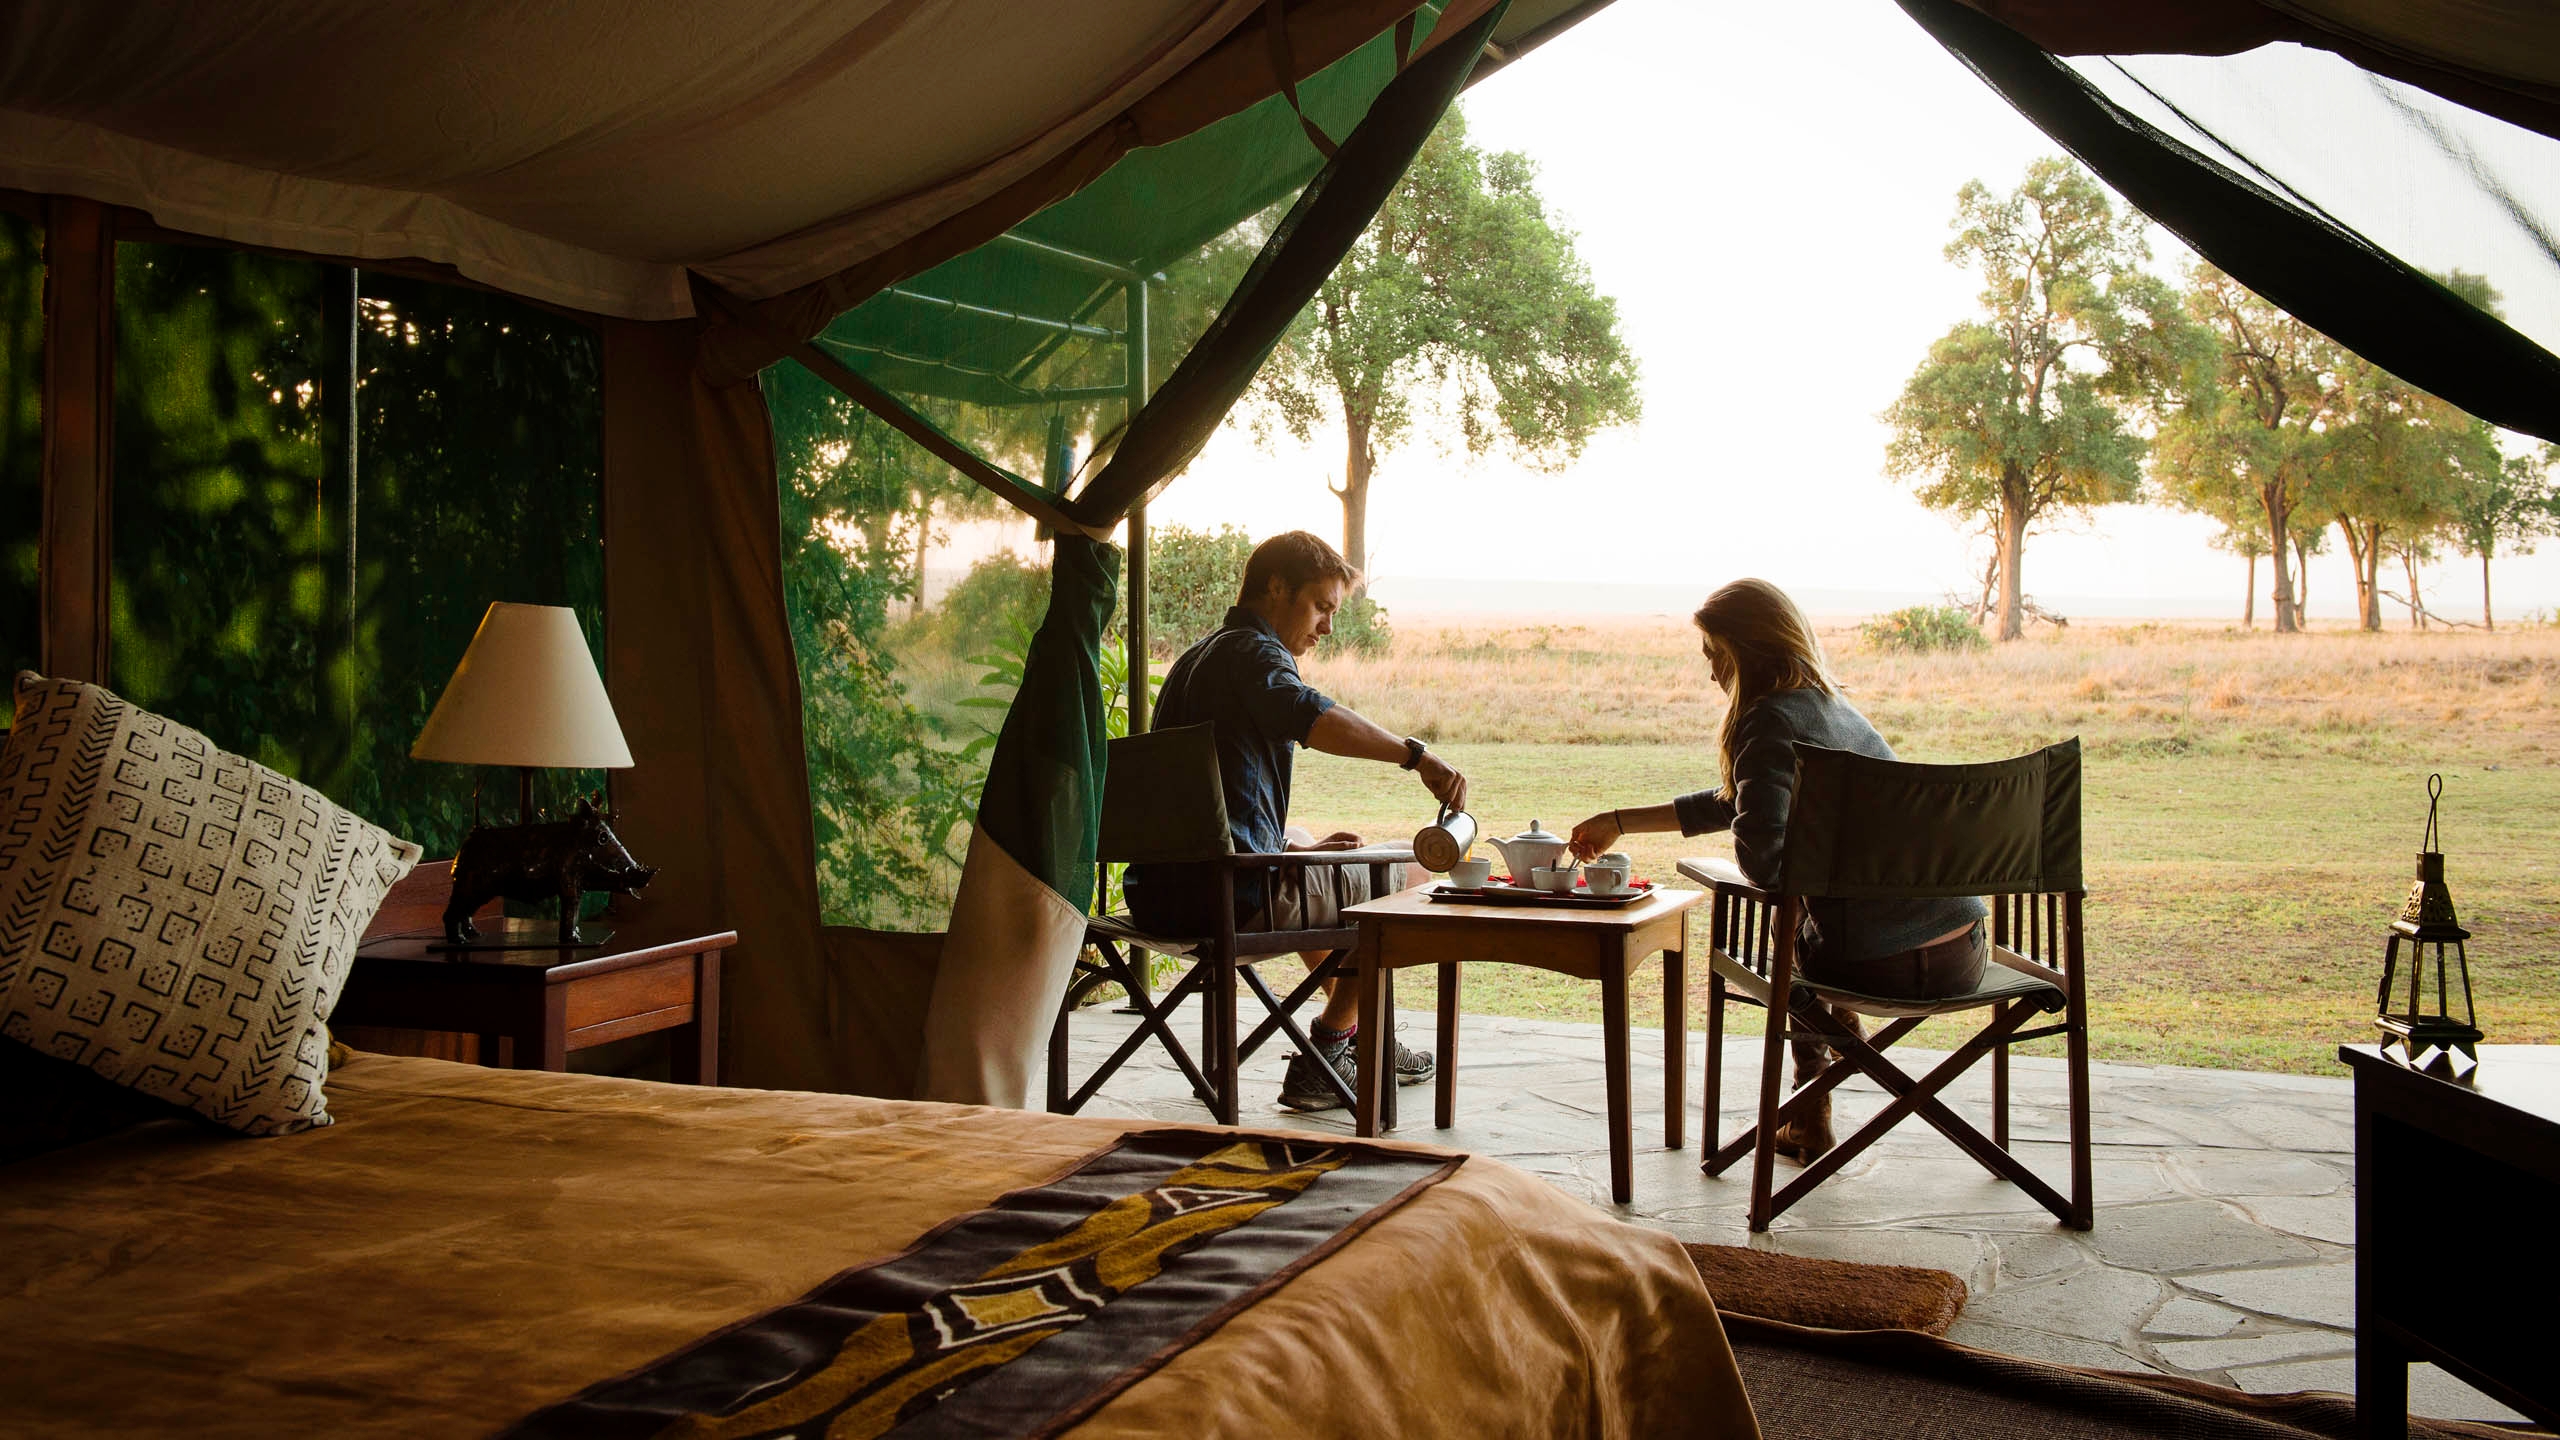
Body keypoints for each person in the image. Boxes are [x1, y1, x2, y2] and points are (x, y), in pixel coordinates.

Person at [1567, 577, 1986, 1159]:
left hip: (1875, 966)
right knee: (1825, 906)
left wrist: (1754, 844)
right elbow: (1745, 800)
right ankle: (1824, 1072)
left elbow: (1763, 862)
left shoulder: (1766, 719)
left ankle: (1812, 1104)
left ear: (1744, 652)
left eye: (1714, 655)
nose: (1711, 674)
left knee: (1791, 915)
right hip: (1965, 954)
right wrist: (1621, 820)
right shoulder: (1838, 711)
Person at [1124, 531, 1468, 1112]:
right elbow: (1311, 715)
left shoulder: (1197, 659)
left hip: (1162, 895)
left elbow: (1207, 807)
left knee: (1303, 840)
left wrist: (1290, 849)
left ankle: (1358, 1035)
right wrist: (1416, 756)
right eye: (1320, 607)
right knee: (1414, 874)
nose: (1326, 628)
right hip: (1227, 899)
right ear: (1277, 587)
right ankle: (1331, 1047)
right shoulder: (1255, 654)